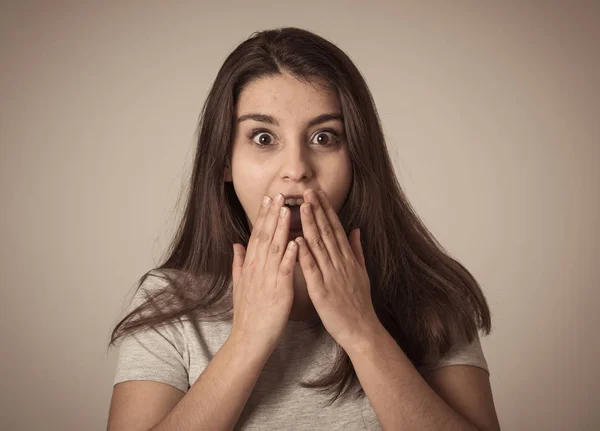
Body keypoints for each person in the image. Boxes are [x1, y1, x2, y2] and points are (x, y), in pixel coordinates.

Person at [107, 27, 501, 430]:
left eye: (323, 137)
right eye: (263, 138)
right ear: (224, 162)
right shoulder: (168, 305)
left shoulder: (430, 301)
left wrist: (362, 331)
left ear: (357, 157)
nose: (296, 170)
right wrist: (247, 340)